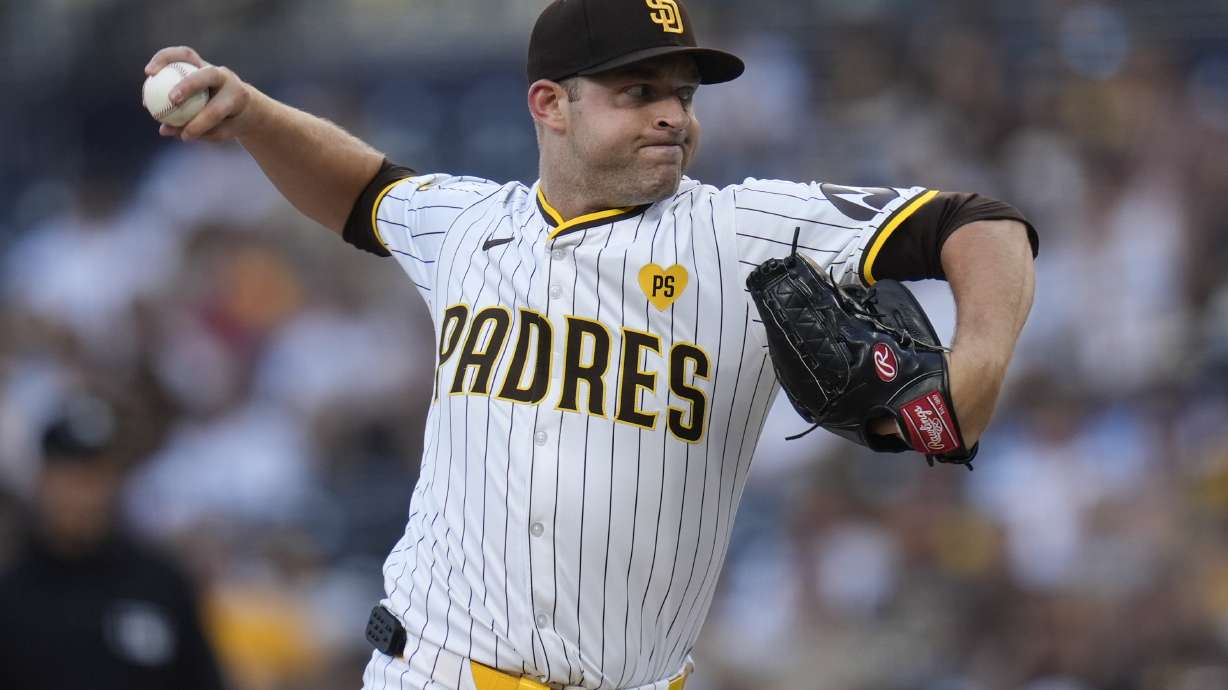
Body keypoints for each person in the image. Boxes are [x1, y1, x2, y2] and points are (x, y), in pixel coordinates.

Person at [143, 0, 1037, 688]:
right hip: (431, 667)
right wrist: (252, 113)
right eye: (637, 92)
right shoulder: (468, 225)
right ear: (550, 104)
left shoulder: (746, 228)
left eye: (681, 94)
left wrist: (977, 364)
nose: (670, 116)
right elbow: (361, 190)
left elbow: (980, 224)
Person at [0, 393, 228, 690]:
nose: (82, 497)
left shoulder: (162, 586)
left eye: (95, 478)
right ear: (42, 482)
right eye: (70, 477)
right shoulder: (10, 598)